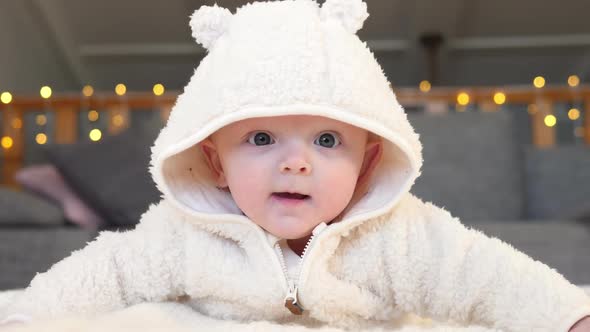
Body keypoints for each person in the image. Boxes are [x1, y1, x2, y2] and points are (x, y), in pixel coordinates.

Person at [2, 0, 590, 331]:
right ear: (214, 159)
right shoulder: (180, 234)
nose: (296, 164)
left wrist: (567, 317)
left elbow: (486, 277)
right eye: (261, 137)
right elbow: (104, 273)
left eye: (329, 140)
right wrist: (31, 318)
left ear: (368, 160)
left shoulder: (400, 235)